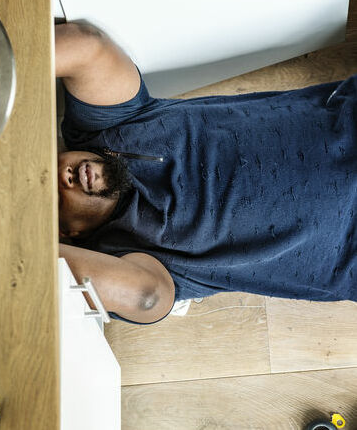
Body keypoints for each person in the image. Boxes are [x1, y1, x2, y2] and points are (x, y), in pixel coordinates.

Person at [56, 22, 357, 325]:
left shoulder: (106, 128)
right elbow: (144, 297)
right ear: (69, 233)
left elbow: (88, 46)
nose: (63, 177)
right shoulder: (126, 251)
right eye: (54, 198)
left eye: (46, 167)